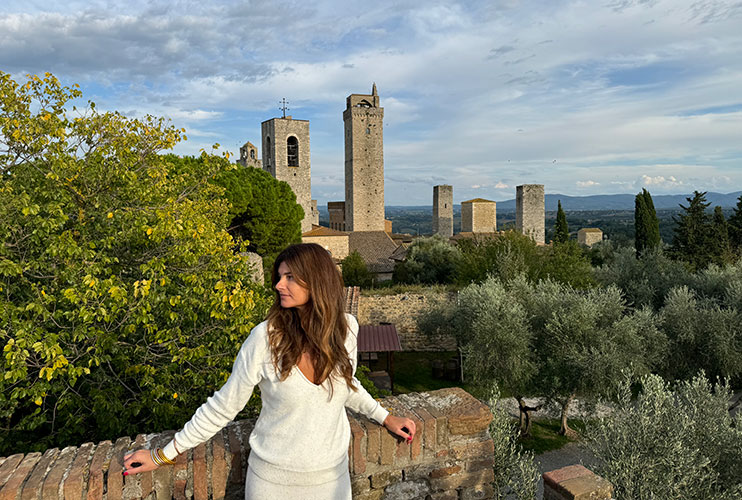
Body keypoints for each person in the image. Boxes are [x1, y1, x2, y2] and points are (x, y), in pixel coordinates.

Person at [123, 243, 415, 499]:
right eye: (279, 277)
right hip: (273, 483)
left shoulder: (346, 328)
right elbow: (224, 406)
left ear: (317, 281)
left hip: (333, 481)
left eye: (290, 277)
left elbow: (346, 385)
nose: (278, 285)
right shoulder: (265, 339)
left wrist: (385, 417)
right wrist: (163, 454)